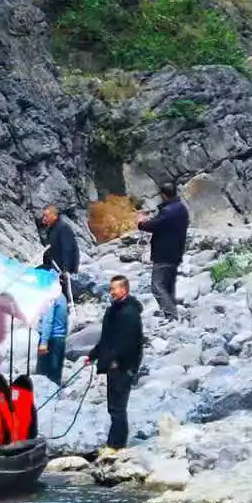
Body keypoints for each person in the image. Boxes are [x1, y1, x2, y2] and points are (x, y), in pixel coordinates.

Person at [93, 274, 144, 451]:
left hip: (124, 367)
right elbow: (107, 339)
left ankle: (117, 445)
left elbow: (129, 343)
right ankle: (112, 442)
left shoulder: (130, 313)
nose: (111, 292)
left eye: (114, 288)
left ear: (124, 289)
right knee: (113, 406)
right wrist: (93, 355)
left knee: (118, 406)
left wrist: (116, 361)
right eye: (111, 289)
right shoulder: (114, 310)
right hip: (113, 365)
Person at [137, 184, 189, 319]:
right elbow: (164, 225)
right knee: (169, 285)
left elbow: (153, 226)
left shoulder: (167, 211)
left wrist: (141, 222)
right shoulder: (182, 209)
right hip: (176, 252)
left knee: (157, 286)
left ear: (163, 195)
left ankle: (171, 314)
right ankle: (172, 313)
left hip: (164, 253)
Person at [38, 205, 82, 300]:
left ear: (55, 216)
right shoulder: (51, 229)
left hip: (63, 268)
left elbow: (68, 249)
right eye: (44, 216)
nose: (44, 219)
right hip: (53, 265)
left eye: (46, 216)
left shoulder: (63, 228)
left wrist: (66, 270)